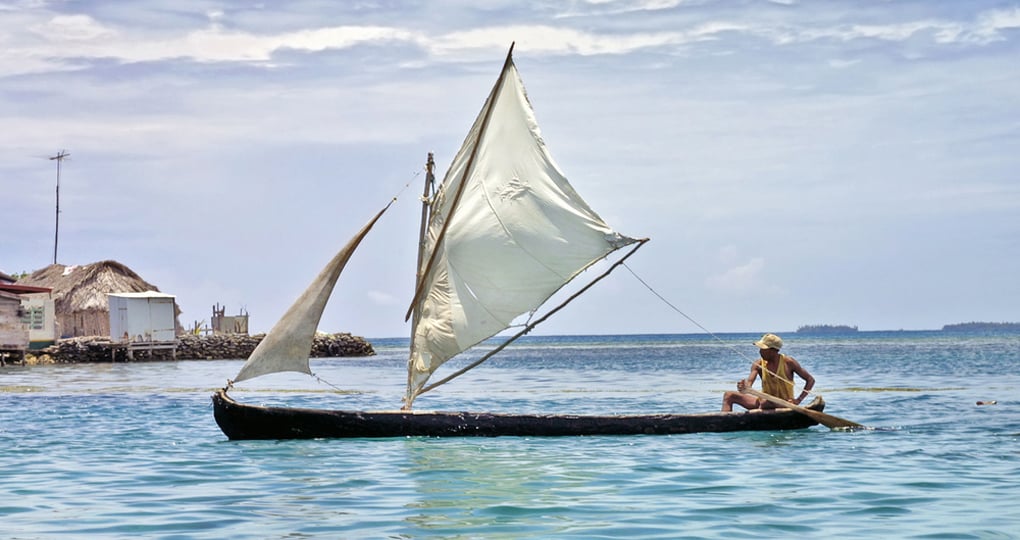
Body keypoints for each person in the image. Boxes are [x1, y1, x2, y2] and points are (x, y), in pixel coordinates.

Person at [721, 333, 815, 412]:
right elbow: (749, 382)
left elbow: (810, 380)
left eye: (763, 349)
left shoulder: (788, 362)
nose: (760, 352)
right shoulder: (758, 364)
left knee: (766, 403)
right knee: (729, 395)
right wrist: (744, 386)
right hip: (763, 402)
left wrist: (798, 400)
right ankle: (723, 422)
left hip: (784, 403)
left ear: (774, 350)